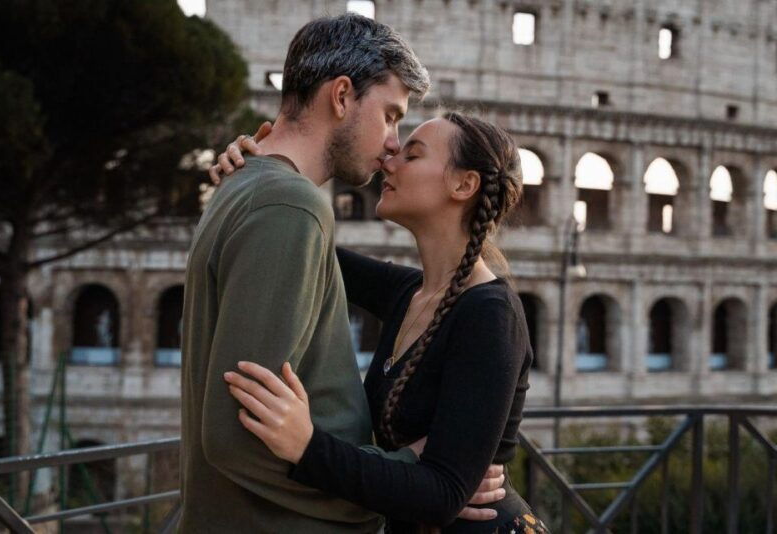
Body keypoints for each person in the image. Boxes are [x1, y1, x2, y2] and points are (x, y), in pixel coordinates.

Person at [179, 13, 501, 534]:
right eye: (391, 116)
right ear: (343, 96)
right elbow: (236, 436)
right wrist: (400, 482)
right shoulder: (291, 206)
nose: (393, 144)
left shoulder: (252, 190)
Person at [215, 112, 549, 533]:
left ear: (464, 185)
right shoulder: (410, 292)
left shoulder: (491, 314)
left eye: (413, 155)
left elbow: (441, 496)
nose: (389, 162)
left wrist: (307, 446)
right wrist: (255, 172)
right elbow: (295, 238)